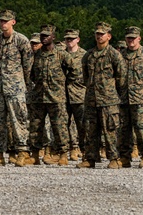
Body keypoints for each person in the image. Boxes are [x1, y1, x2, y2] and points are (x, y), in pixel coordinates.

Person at [0, 9, 33, 166]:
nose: (3, 23)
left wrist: (25, 84)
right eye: (1, 21)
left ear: (13, 22)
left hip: (16, 87)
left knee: (19, 120)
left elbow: (28, 65)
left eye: (6, 21)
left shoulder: (21, 41)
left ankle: (22, 152)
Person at [80, 22, 126, 169]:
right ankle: (90, 158)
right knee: (90, 130)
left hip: (108, 99)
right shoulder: (89, 55)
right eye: (97, 34)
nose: (99, 36)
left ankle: (114, 158)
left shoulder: (114, 54)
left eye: (102, 34)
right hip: (91, 99)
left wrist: (111, 92)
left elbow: (121, 77)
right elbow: (85, 76)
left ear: (109, 36)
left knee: (110, 130)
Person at [28, 24, 73, 165]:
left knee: (60, 127)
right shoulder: (36, 55)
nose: (44, 38)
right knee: (35, 127)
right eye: (42, 35)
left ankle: (63, 154)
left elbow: (74, 71)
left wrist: (63, 85)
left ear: (53, 37)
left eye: (47, 36)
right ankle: (34, 155)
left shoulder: (61, 54)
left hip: (56, 97)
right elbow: (32, 74)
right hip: (39, 96)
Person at [115, 26, 143, 169]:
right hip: (123, 98)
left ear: (139, 38)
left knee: (142, 129)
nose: (131, 41)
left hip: (141, 99)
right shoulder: (120, 55)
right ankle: (124, 157)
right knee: (123, 129)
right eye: (128, 38)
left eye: (133, 38)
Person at [63, 29, 87, 161]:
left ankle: (84, 150)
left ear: (78, 39)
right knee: (63, 125)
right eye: (67, 39)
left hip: (80, 95)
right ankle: (69, 149)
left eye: (72, 39)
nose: (69, 41)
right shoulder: (60, 54)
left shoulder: (85, 55)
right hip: (63, 95)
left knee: (82, 125)